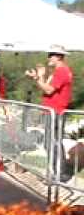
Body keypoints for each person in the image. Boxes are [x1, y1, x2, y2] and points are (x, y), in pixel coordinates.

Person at [25, 44, 73, 181]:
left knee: (53, 142)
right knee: (51, 142)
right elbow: (46, 88)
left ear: (58, 56)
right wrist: (39, 77)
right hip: (51, 111)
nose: (48, 57)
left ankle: (59, 173)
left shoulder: (62, 71)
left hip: (56, 112)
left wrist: (37, 78)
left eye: (51, 54)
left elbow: (48, 90)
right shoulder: (57, 71)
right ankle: (56, 171)